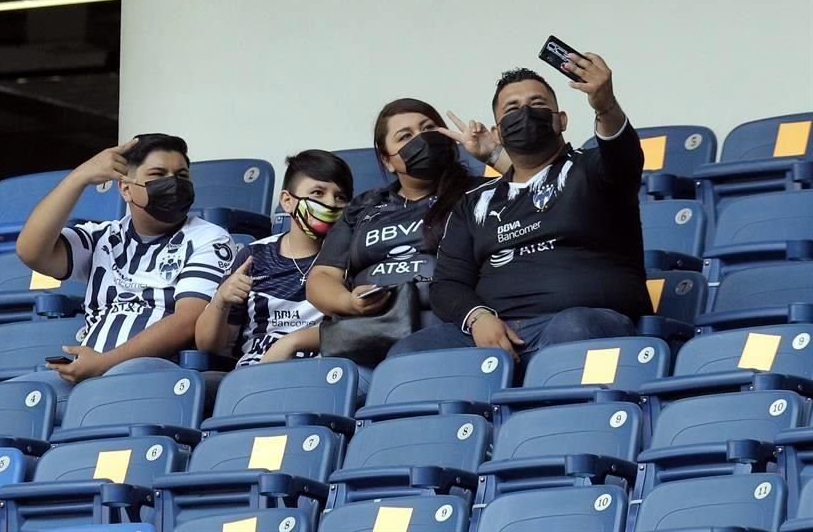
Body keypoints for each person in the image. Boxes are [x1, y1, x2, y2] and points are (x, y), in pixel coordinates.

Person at [388, 54, 650, 366]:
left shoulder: (592, 170)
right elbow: (448, 285)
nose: (524, 113)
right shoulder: (475, 203)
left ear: (561, 119)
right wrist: (478, 318)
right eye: (511, 109)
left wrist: (604, 105)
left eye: (537, 103)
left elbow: (623, 155)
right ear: (497, 132)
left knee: (573, 330)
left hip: (586, 329)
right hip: (494, 335)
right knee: (407, 356)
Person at [15, 133, 235, 419]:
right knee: (2, 402)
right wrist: (79, 177)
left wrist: (105, 363)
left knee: (118, 383)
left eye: (182, 175)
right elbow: (30, 251)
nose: (173, 184)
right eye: (158, 174)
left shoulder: (208, 238)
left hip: (158, 372)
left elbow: (188, 320)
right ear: (126, 189)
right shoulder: (103, 237)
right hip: (89, 374)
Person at [296, 98, 511, 359]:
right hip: (369, 334)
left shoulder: (480, 193)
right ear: (387, 160)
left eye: (429, 128)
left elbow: (543, 191)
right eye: (405, 136)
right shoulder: (363, 207)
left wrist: (493, 155)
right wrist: (349, 302)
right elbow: (321, 279)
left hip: (454, 331)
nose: (421, 140)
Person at [194, 150, 353, 365]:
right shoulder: (254, 256)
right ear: (287, 201)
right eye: (318, 193)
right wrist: (221, 300)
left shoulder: (352, 257)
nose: (331, 203)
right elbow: (209, 345)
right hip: (253, 374)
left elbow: (360, 329)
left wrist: (292, 342)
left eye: (340, 197)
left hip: (320, 373)